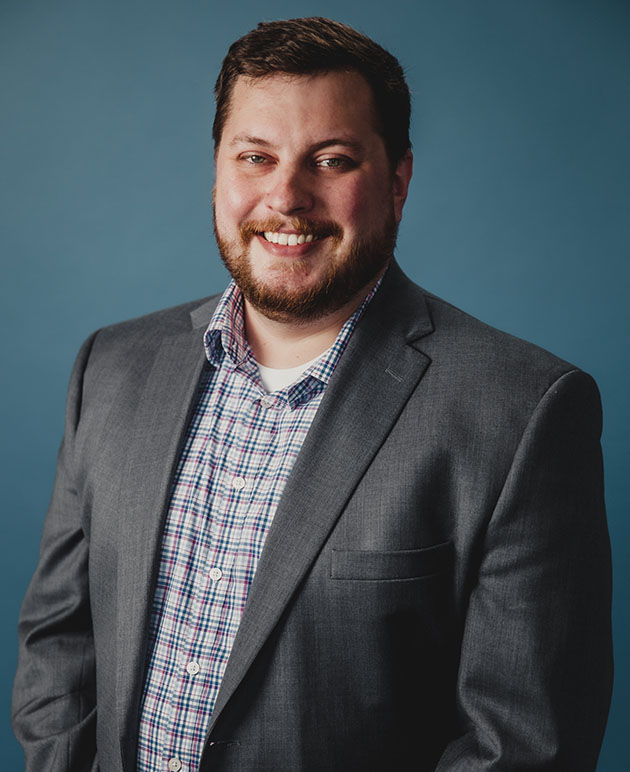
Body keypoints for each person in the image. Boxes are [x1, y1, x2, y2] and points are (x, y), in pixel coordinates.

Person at [12, 16, 613, 772]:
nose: (286, 197)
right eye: (255, 157)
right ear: (219, 172)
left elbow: (524, 747)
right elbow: (59, 644)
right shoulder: (111, 366)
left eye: (331, 160)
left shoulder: (523, 412)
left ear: (397, 179)